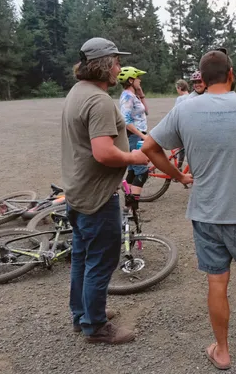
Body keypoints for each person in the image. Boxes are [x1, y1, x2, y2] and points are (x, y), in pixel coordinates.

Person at [141, 49, 236, 371]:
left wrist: (178, 176)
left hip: (205, 213)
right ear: (231, 74)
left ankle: (222, 351)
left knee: (217, 282)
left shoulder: (185, 109)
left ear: (202, 80)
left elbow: (149, 148)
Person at [61, 37, 149, 344]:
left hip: (78, 191)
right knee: (100, 261)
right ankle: (96, 327)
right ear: (103, 66)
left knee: (83, 259)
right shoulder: (98, 101)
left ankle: (81, 314)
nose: (119, 68)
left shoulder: (78, 92)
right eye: (115, 62)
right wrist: (133, 157)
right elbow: (103, 152)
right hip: (98, 196)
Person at [118, 66, 150, 201]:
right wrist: (142, 136)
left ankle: (129, 207)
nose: (140, 80)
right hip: (134, 136)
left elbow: (146, 111)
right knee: (142, 171)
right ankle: (132, 207)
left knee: (132, 171)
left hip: (138, 134)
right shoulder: (127, 96)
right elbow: (126, 121)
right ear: (131, 80)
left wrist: (140, 93)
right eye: (138, 78)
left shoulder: (133, 95)